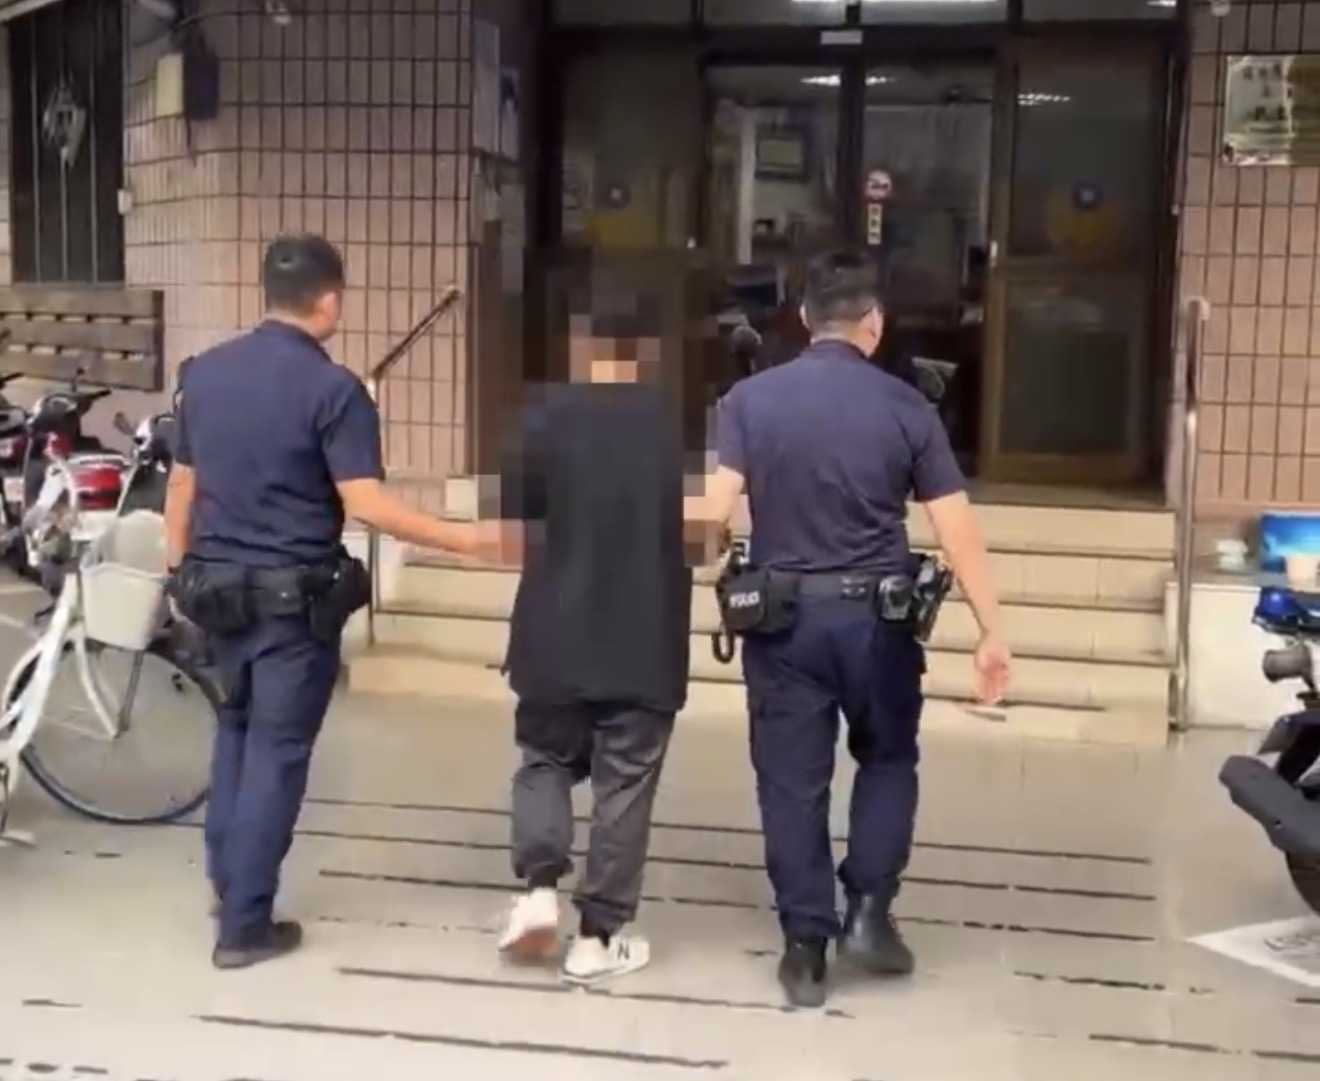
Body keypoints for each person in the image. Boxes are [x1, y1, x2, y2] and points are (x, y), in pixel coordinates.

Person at [165, 234, 498, 970]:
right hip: (292, 606)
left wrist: (177, 573)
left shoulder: (203, 374)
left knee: (234, 735)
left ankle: (228, 885)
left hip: (217, 594)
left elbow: (183, 485)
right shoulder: (335, 390)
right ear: (330, 299)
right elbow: (366, 504)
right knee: (277, 755)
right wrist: (467, 541)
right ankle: (245, 926)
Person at [688, 251, 1011, 1008]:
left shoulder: (748, 400)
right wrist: (991, 629)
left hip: (783, 623)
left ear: (804, 320)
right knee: (888, 758)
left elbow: (711, 516)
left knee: (790, 781)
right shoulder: (907, 406)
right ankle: (868, 910)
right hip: (879, 623)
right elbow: (955, 526)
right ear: (874, 324)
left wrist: (713, 557)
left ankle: (805, 948)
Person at [494, 302, 696, 986]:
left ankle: (539, 891)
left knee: (544, 760)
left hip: (551, 633)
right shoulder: (674, 427)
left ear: (583, 346)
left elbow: (514, 528)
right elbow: (702, 528)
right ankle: (596, 940)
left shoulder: (541, 416)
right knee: (625, 785)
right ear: (648, 352)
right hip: (644, 638)